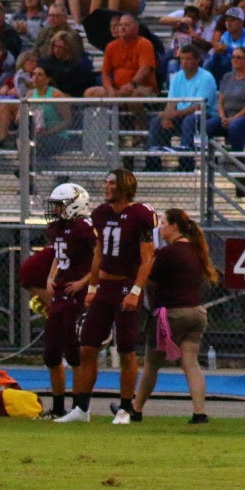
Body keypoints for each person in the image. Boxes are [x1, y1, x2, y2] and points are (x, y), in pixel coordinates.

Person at [58, 171, 157, 424]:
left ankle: (126, 408)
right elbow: (99, 254)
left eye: (112, 182)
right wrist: (92, 288)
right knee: (87, 348)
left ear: (124, 186)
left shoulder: (141, 214)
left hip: (126, 286)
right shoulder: (101, 214)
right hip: (104, 287)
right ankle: (82, 408)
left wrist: (136, 290)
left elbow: (148, 258)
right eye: (107, 181)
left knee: (126, 350)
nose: (106, 185)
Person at [129, 210, 219, 423]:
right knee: (191, 362)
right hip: (197, 312)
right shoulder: (196, 251)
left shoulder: (169, 253)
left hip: (171, 314)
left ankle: (136, 408)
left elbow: (148, 276)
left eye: (163, 223)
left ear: (175, 226)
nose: (160, 227)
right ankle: (199, 412)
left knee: (152, 364)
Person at [37, 183, 96, 418]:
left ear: (74, 204)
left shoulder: (85, 228)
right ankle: (59, 407)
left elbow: (100, 259)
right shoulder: (58, 229)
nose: (56, 210)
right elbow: (58, 256)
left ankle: (79, 407)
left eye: (60, 205)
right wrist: (51, 276)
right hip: (61, 292)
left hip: (77, 295)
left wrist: (83, 282)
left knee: (75, 352)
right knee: (51, 353)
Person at [145, 42, 217, 170]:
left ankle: (186, 163)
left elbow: (199, 106)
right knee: (156, 122)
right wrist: (167, 117)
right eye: (182, 58)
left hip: (205, 116)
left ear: (197, 60)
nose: (184, 62)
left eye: (188, 59)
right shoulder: (177, 77)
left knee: (189, 121)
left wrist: (175, 114)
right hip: (181, 116)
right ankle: (153, 163)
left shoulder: (206, 77)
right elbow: (172, 102)